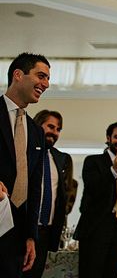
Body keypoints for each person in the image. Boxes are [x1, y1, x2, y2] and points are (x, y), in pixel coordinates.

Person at [0, 53, 49, 277]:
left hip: (18, 235)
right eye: (41, 76)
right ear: (18, 75)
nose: (45, 84)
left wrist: (31, 236)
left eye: (48, 79)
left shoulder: (37, 132)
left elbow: (35, 186)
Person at [74, 122, 117, 278]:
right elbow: (93, 188)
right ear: (108, 138)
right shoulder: (93, 161)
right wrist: (113, 169)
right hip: (95, 229)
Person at [24, 110, 73, 278]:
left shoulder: (59, 158)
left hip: (46, 231)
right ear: (38, 125)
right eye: (50, 126)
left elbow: (61, 197)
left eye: (58, 129)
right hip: (22, 228)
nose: (55, 132)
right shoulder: (24, 152)